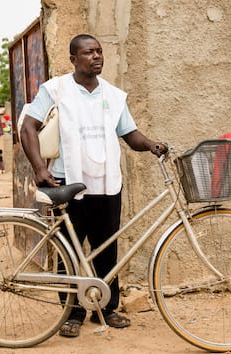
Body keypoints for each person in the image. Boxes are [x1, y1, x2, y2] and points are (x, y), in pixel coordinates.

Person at [20, 34, 163, 338]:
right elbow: (28, 127)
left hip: (107, 185)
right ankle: (72, 314)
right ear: (74, 59)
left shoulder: (113, 95)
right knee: (69, 252)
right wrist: (39, 168)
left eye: (99, 51)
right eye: (89, 52)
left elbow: (130, 134)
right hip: (67, 184)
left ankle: (106, 309)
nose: (96, 56)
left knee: (106, 249)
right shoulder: (55, 89)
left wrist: (152, 145)